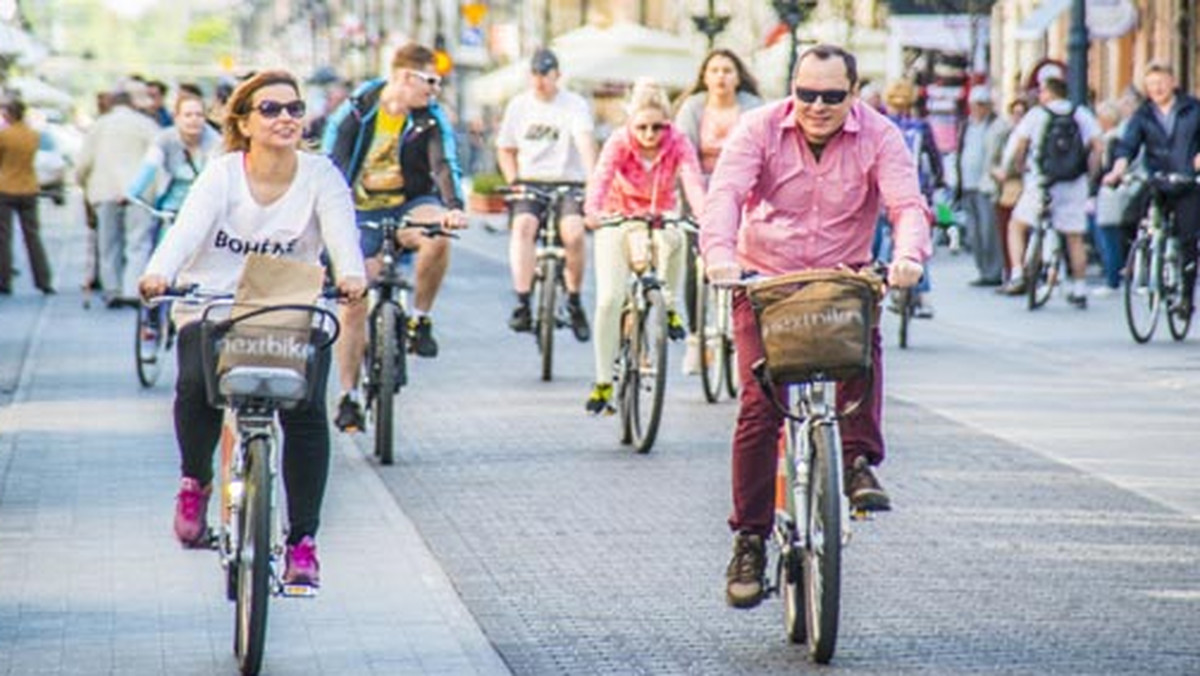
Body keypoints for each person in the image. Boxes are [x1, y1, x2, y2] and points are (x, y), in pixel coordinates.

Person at [699, 44, 929, 610]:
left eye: (832, 95)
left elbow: (906, 205)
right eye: (807, 94)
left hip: (840, 276)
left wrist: (909, 258)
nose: (817, 106)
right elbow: (724, 195)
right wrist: (719, 256)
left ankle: (856, 463)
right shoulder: (757, 129)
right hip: (766, 279)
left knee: (861, 352)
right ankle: (749, 539)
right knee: (758, 404)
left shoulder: (879, 135)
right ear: (792, 88)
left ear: (854, 93)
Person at [138, 70, 367, 589]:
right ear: (243, 121)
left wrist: (351, 274)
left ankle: (303, 543)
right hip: (214, 302)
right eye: (270, 109)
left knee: (307, 412)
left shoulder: (320, 174)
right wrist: (159, 272)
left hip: (287, 305)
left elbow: (340, 232)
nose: (285, 117)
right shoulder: (222, 175)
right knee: (196, 383)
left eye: (293, 108)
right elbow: (186, 230)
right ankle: (194, 480)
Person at [321, 43, 468, 433]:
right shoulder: (357, 109)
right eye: (431, 81)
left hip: (410, 205)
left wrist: (453, 206)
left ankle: (421, 319)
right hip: (361, 210)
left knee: (438, 235)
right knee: (354, 300)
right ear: (405, 77)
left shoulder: (431, 117)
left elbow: (443, 165)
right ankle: (349, 396)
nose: (435, 90)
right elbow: (330, 165)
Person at [582, 79, 706, 413]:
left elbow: (693, 181)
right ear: (630, 124)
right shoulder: (619, 142)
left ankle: (668, 304)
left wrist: (706, 216)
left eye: (658, 127)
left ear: (668, 124)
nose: (650, 135)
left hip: (658, 217)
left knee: (677, 237)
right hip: (617, 218)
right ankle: (604, 381)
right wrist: (592, 212)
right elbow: (601, 178)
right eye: (642, 127)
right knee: (609, 298)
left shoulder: (678, 143)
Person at [496, 47, 596, 340]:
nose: (541, 81)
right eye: (536, 75)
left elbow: (586, 142)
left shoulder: (574, 105)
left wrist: (593, 182)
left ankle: (574, 300)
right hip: (530, 181)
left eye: (547, 75)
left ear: (558, 76)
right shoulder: (519, 106)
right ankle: (523, 301)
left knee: (574, 234)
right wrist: (513, 179)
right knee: (524, 226)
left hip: (568, 182)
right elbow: (505, 148)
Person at [673, 48, 762, 373]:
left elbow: (761, 154)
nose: (721, 76)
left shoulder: (753, 109)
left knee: (749, 264)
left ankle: (745, 341)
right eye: (714, 70)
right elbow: (685, 159)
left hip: (743, 192)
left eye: (727, 69)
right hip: (701, 191)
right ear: (704, 77)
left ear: (738, 76)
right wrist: (702, 207)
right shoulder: (693, 108)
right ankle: (696, 341)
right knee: (695, 262)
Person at [999, 67, 1103, 308]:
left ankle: (1017, 272)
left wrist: (1022, 167)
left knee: (1017, 224)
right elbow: (1098, 146)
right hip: (1073, 183)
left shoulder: (1037, 114)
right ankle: (1079, 288)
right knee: (1074, 237)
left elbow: (1020, 145)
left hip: (1042, 181)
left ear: (1047, 93)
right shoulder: (1081, 114)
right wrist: (1090, 175)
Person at [1103, 62, 1200, 316]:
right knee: (1129, 218)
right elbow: (1128, 145)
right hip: (1157, 180)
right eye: (1151, 84)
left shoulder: (1192, 109)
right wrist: (1118, 168)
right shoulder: (1143, 115)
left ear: (1173, 82)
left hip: (1186, 181)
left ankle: (1185, 298)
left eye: (1161, 82)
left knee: (1188, 238)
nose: (1156, 88)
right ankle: (1141, 259)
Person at [75, 82, 161, 308]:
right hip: (139, 192)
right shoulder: (146, 124)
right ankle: (131, 289)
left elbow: (83, 162)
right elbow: (157, 157)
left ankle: (111, 289)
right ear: (132, 104)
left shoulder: (99, 125)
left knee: (108, 244)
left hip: (105, 190)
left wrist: (82, 183)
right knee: (137, 242)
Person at [880, 78, 942, 317]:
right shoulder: (920, 126)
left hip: (886, 192)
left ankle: (886, 282)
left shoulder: (883, 125)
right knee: (916, 241)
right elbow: (934, 158)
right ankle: (923, 295)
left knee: (885, 236)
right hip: (917, 189)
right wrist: (939, 179)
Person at [126, 89, 222, 215]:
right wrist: (132, 193)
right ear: (176, 118)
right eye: (188, 115)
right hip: (171, 209)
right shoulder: (164, 139)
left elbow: (216, 175)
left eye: (199, 115)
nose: (194, 119)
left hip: (205, 208)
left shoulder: (216, 142)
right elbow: (149, 167)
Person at [0, 98, 54, 295]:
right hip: (29, 187)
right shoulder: (33, 135)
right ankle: (43, 280)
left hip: (5, 188)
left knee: (4, 237)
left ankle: (3, 280)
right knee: (32, 236)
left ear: (10, 114)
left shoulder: (4, 136)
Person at [956, 86, 1005, 286]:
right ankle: (983, 270)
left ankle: (993, 272)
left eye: (982, 105)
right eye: (975, 105)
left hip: (986, 185)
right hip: (967, 184)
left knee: (988, 230)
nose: (978, 109)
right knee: (973, 232)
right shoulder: (966, 125)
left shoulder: (997, 125)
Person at [989, 97, 1029, 282]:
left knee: (1021, 232)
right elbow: (993, 159)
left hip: (1024, 188)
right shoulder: (1006, 135)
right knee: (1005, 232)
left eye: (1021, 113)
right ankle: (1010, 272)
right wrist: (996, 171)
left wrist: (1011, 171)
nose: (1018, 117)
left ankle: (1023, 271)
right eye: (1015, 113)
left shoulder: (1031, 135)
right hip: (1005, 190)